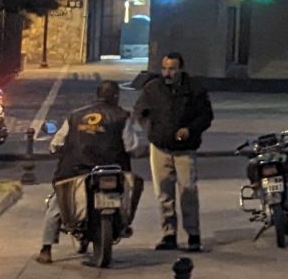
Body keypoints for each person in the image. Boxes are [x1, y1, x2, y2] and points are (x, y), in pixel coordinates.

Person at [37, 82, 130, 264]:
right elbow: (131, 145)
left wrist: (55, 149)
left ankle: (46, 249)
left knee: (58, 205)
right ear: (117, 96)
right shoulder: (123, 116)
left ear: (97, 95)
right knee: (126, 194)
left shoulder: (75, 116)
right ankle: (124, 223)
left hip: (76, 169)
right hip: (111, 169)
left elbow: (57, 142)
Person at [136, 51, 214, 252]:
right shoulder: (153, 89)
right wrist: (151, 131)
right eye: (164, 68)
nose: (167, 72)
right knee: (163, 193)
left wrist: (190, 130)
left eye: (171, 68)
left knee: (188, 192)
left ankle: (193, 235)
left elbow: (206, 116)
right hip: (160, 147)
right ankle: (168, 234)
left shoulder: (195, 89)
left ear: (180, 69)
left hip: (184, 149)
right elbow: (141, 112)